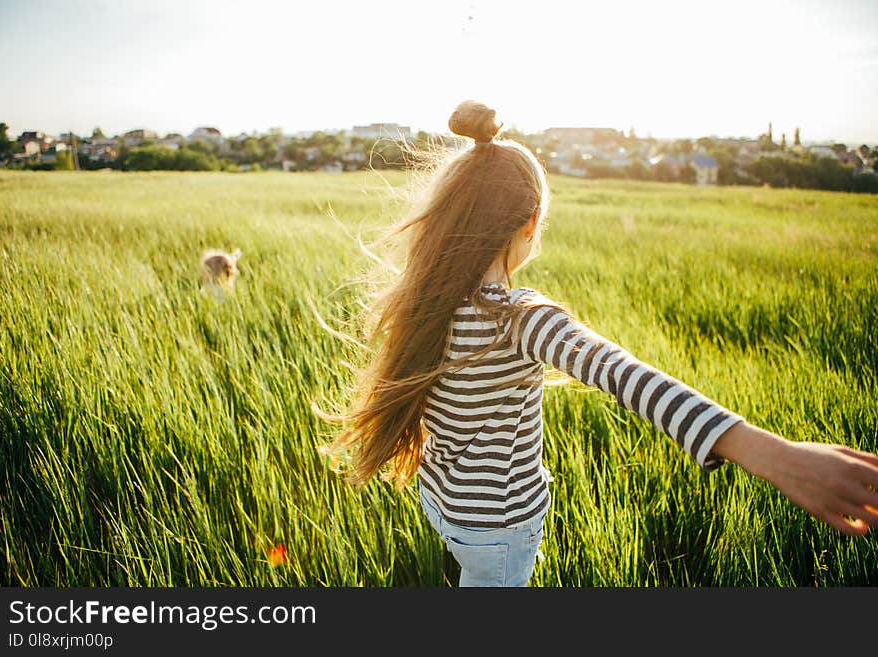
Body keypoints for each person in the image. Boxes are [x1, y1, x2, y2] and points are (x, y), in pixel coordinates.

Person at [316, 100, 878, 587]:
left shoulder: (426, 298)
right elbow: (625, 376)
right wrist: (775, 455)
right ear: (531, 222)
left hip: (445, 508)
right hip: (499, 529)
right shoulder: (519, 319)